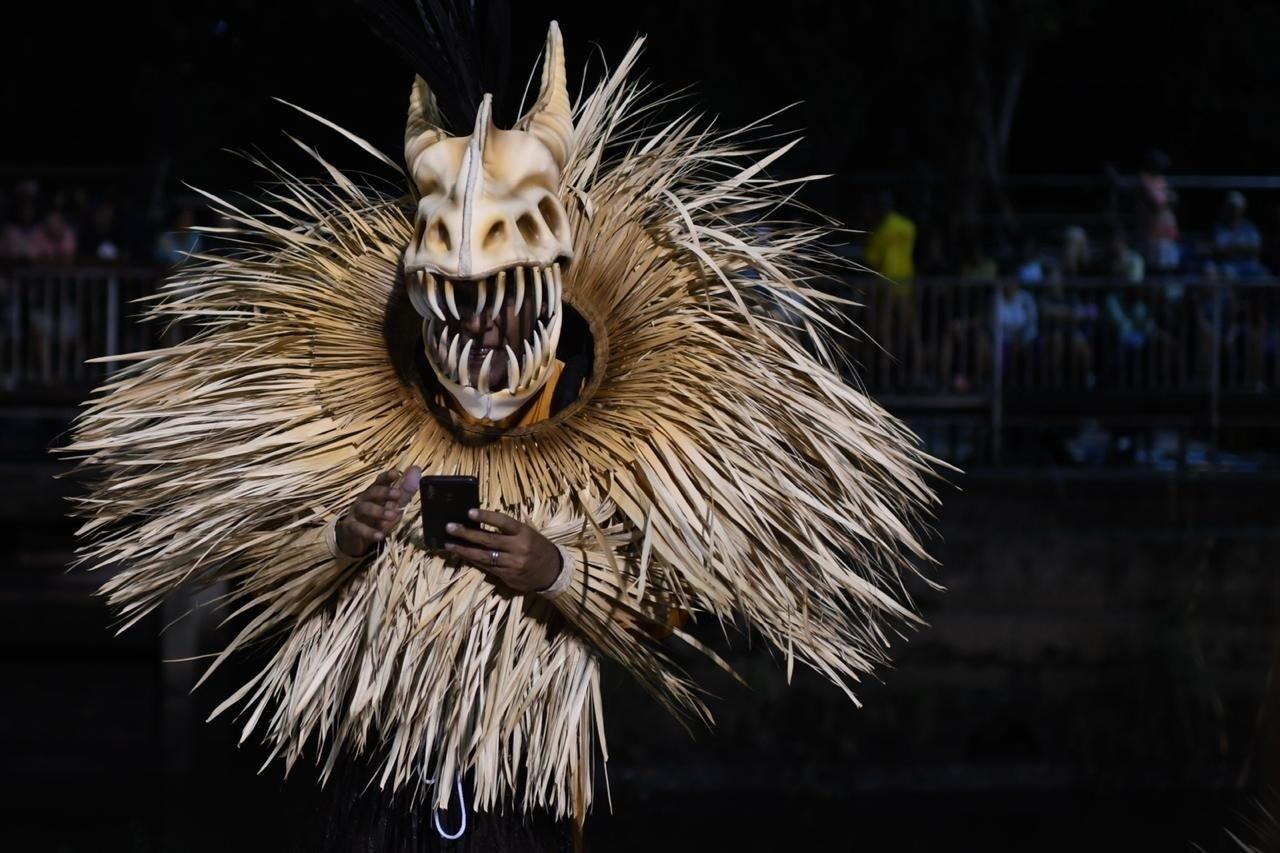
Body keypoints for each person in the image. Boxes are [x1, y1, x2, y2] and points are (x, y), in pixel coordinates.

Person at [65, 12, 938, 850]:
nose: (485, 326)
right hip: (366, 798)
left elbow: (671, 609)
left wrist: (554, 567)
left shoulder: (629, 455)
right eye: (465, 300)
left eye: (504, 297)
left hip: (516, 801)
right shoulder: (338, 432)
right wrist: (343, 536)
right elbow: (256, 580)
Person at [865, 191, 922, 386]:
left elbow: (872, 259)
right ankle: (916, 375)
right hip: (906, 280)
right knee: (911, 330)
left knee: (885, 329)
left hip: (887, 282)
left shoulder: (881, 230)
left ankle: (885, 379)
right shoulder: (908, 226)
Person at [1137, 148, 1180, 272]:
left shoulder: (1161, 179)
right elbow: (1156, 203)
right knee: (1155, 271)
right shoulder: (1144, 180)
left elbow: (1175, 198)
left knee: (1169, 270)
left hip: (1167, 234)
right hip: (1153, 235)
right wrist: (1167, 198)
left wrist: (1166, 198)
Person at [1213, 190, 1268, 279]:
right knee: (1227, 273)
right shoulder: (1219, 228)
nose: (1234, 211)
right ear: (1226, 208)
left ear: (1242, 208)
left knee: (1263, 274)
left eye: (1236, 207)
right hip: (1229, 265)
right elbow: (1221, 251)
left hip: (1249, 265)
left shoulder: (1250, 227)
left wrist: (1233, 249)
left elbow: (1256, 251)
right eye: (1231, 207)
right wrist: (1244, 249)